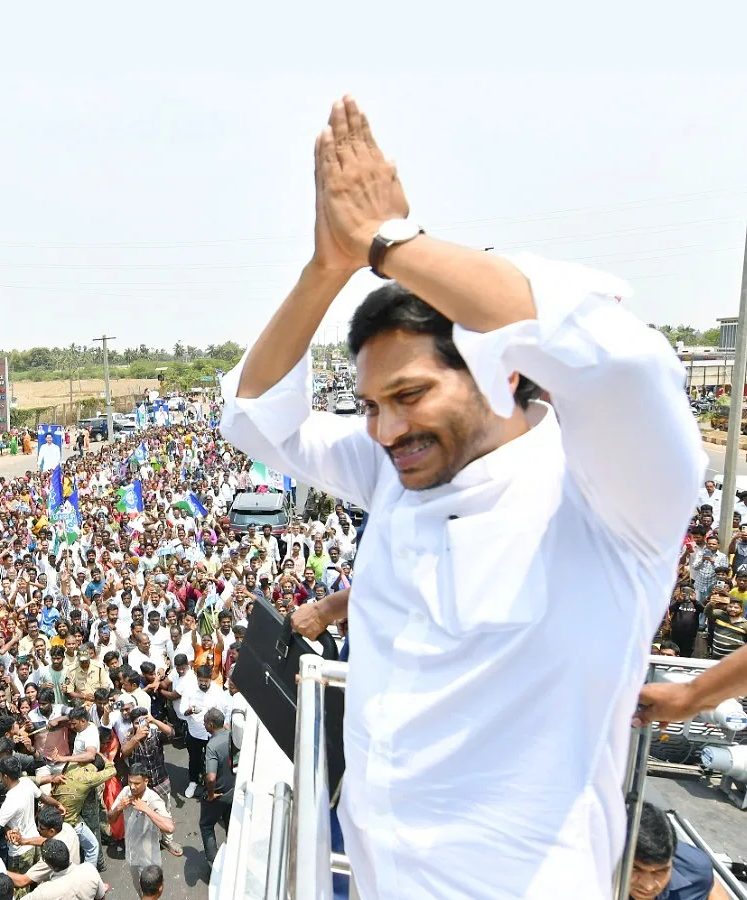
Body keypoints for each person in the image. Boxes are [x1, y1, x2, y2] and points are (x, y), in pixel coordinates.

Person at [220, 94, 703, 899]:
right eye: (372, 405)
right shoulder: (395, 472)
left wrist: (391, 245)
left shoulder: (608, 497)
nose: (383, 428)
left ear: (501, 369)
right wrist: (326, 269)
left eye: (409, 394)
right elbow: (256, 419)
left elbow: (624, 363)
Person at [629, 803, 728, 900]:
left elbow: (712, 887)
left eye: (661, 871)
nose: (648, 886)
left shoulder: (695, 871)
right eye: (635, 869)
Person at [108, 765, 174, 896]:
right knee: (140, 892)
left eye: (137, 783)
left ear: (146, 781)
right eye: (130, 782)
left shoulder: (153, 799)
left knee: (151, 895)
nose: (132, 787)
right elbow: (110, 819)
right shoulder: (126, 791)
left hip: (149, 862)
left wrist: (147, 810)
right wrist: (119, 808)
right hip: (132, 857)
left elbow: (170, 827)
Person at [199, 707, 234, 867]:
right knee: (230, 824)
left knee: (206, 825)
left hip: (218, 794)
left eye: (205, 722)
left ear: (211, 724)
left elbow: (211, 777)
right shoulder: (232, 735)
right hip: (233, 790)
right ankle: (235, 856)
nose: (204, 724)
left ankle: (213, 865)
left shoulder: (212, 746)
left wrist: (211, 794)